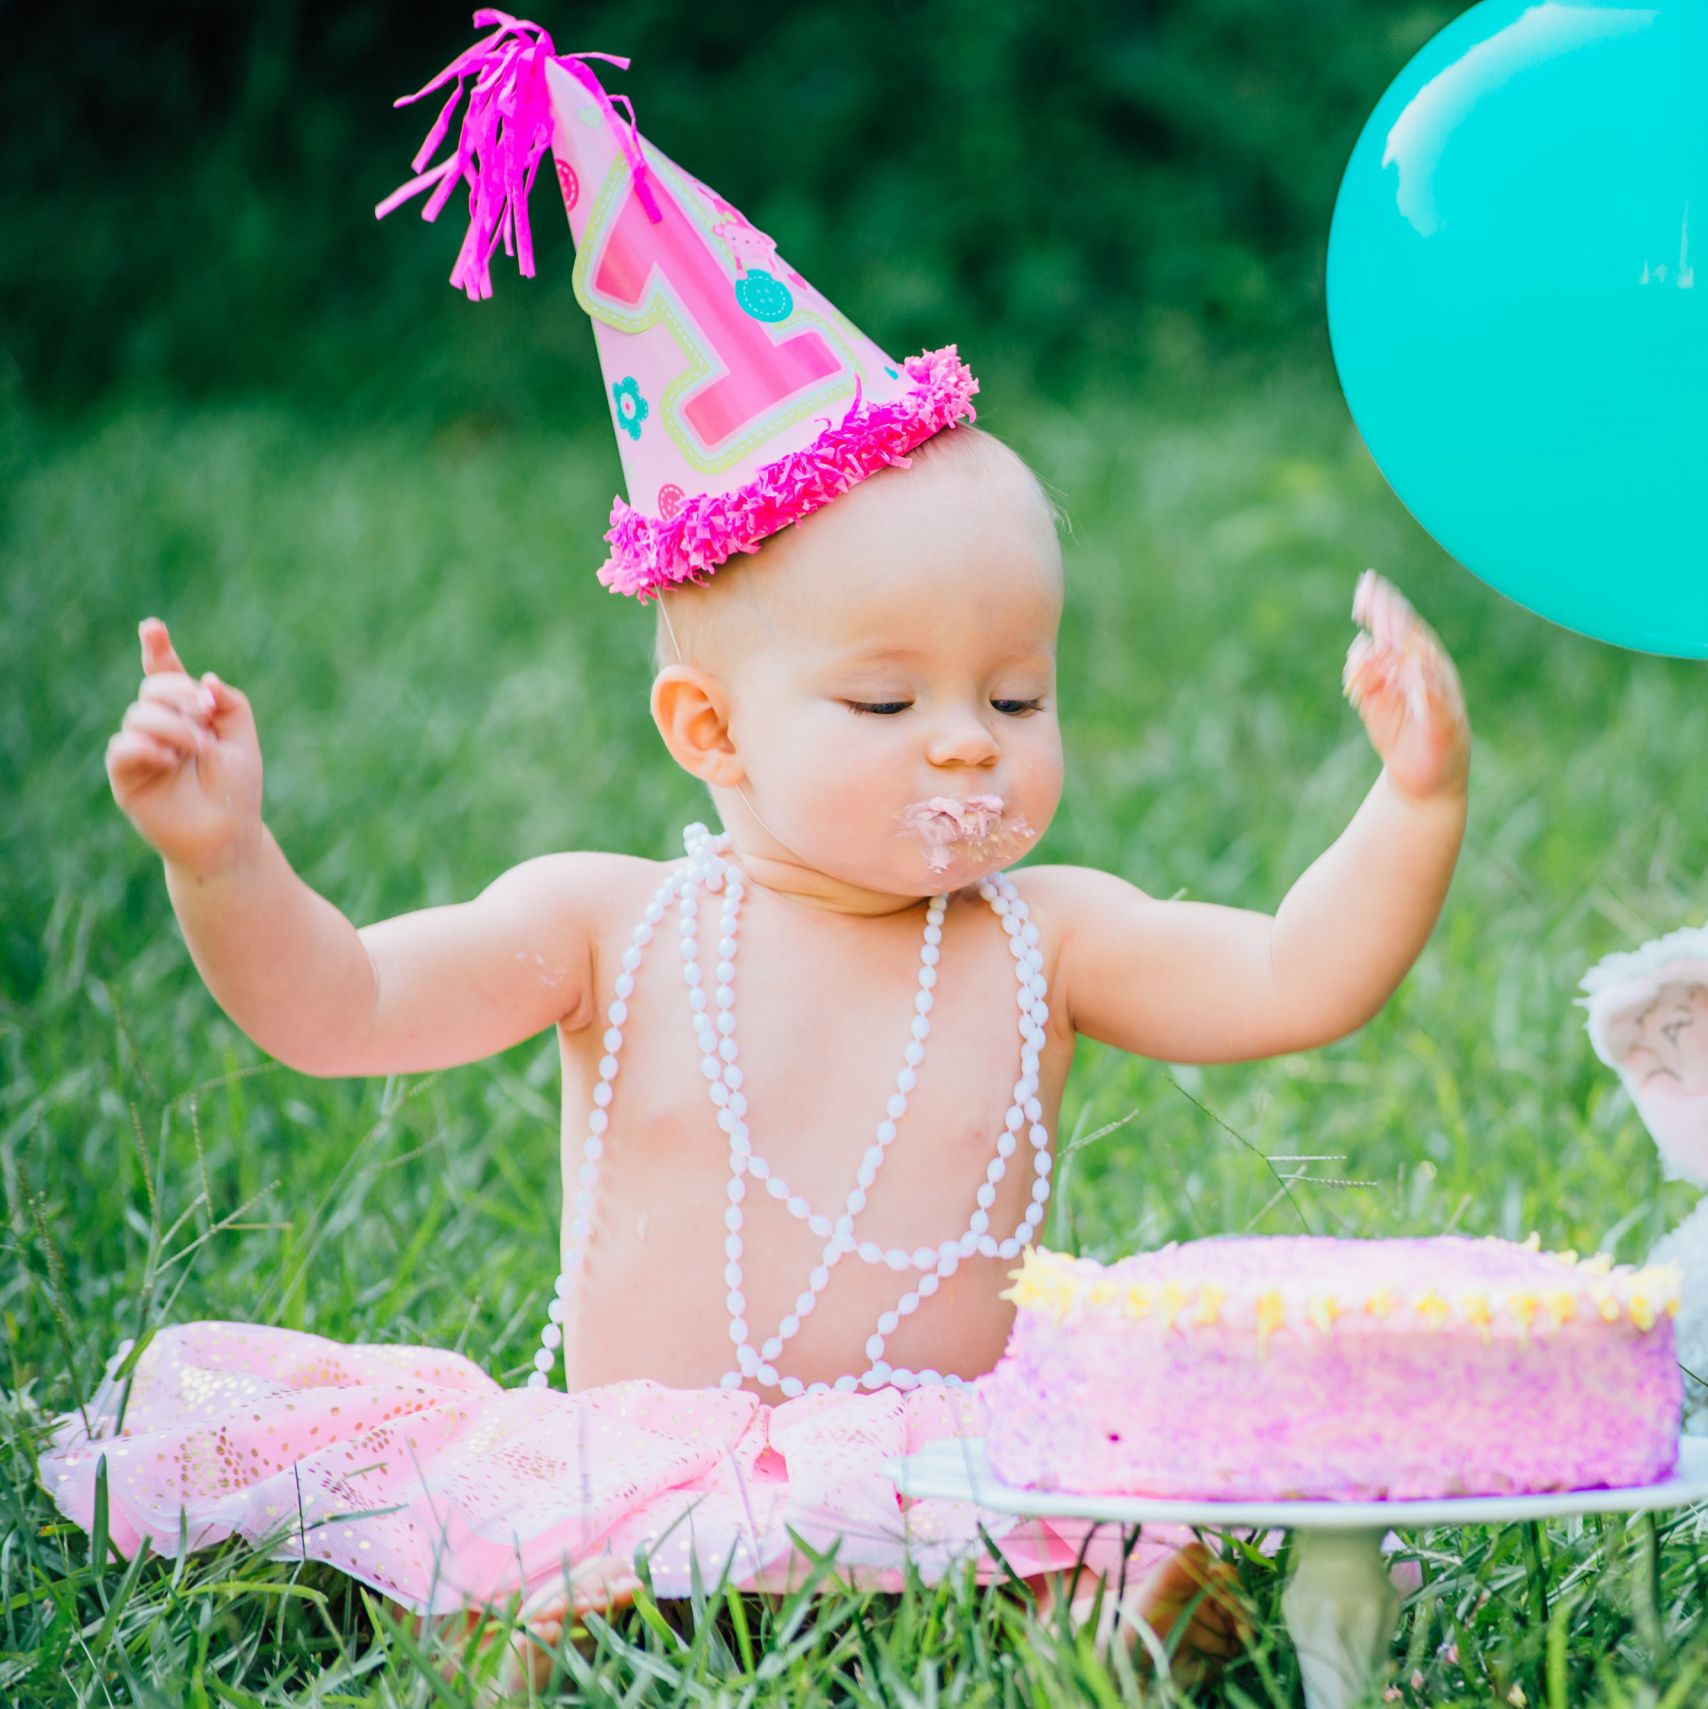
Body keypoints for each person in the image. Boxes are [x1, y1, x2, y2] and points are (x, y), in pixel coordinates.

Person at [38, 13, 1471, 1694]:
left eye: (1018, 689)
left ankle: (1109, 1614)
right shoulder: (608, 924)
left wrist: (1413, 801)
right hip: (640, 1450)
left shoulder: (1047, 934)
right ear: (708, 732)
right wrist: (225, 860)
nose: (968, 737)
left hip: (947, 1449)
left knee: (1071, 1518)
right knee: (547, 1550)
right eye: (887, 697)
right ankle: (535, 1624)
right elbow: (340, 1005)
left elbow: (1297, 972)